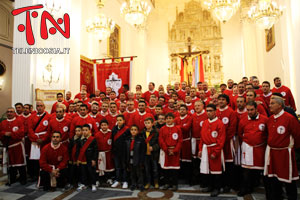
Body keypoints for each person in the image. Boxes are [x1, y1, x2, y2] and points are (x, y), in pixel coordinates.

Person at [264, 96, 300, 200]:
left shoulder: (289, 118)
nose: (269, 105)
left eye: (272, 103)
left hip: (285, 153)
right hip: (272, 153)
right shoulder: (270, 119)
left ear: (280, 105)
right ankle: (277, 196)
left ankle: (291, 196)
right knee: (274, 177)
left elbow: (297, 134)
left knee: (288, 177)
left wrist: (295, 149)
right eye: (270, 103)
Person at [238, 101, 268, 196]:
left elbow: (268, 134)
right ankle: (246, 188)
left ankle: (269, 191)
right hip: (247, 147)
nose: (250, 112)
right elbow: (240, 133)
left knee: (262, 169)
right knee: (246, 170)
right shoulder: (243, 120)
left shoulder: (265, 120)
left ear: (256, 109)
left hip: (260, 148)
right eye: (248, 110)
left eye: (252, 110)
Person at [198, 104, 226, 197]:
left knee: (216, 171)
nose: (208, 112)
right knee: (208, 169)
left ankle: (217, 188)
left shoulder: (220, 123)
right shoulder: (205, 122)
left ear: (215, 111)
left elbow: (221, 140)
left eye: (210, 111)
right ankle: (210, 186)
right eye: (207, 111)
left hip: (214, 149)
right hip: (206, 148)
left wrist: (216, 152)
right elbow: (202, 137)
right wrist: (200, 149)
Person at [216, 94, 238, 192]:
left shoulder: (231, 112)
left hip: (227, 143)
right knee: (218, 164)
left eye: (223, 100)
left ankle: (228, 184)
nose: (221, 101)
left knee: (228, 165)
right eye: (219, 99)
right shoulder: (215, 111)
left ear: (227, 101)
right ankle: (219, 184)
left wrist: (222, 140)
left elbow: (232, 129)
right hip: (216, 143)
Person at [0, 107, 26, 185]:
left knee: (20, 163)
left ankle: (23, 178)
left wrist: (11, 134)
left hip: (17, 145)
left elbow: (21, 132)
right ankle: (12, 178)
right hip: (8, 146)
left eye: (11, 112)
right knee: (10, 164)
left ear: (14, 113)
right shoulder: (3, 123)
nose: (9, 113)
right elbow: (0, 132)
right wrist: (4, 134)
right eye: (8, 112)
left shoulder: (19, 121)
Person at [159, 113, 183, 191]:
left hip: (175, 152)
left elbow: (180, 140)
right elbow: (161, 140)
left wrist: (175, 150)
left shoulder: (177, 129)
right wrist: (166, 149)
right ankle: (167, 183)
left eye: (170, 118)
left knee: (174, 169)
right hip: (165, 151)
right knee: (166, 169)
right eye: (167, 118)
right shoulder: (162, 129)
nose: (169, 120)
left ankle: (174, 184)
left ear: (173, 119)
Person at [28, 100, 51, 181]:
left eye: (41, 106)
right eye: (38, 106)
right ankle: (35, 175)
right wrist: (35, 138)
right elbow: (30, 129)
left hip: (44, 140)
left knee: (44, 158)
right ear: (36, 107)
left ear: (44, 107)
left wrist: (43, 139)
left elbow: (49, 130)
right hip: (35, 140)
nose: (39, 107)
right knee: (35, 159)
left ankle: (44, 175)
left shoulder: (48, 116)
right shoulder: (32, 117)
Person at [77, 124, 98, 192]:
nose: (84, 132)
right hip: (83, 159)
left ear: (89, 131)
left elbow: (95, 150)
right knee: (83, 172)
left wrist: (94, 159)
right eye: (83, 130)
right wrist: (78, 159)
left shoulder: (93, 139)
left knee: (91, 172)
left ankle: (93, 184)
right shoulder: (80, 140)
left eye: (86, 130)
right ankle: (84, 184)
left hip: (90, 158)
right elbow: (78, 150)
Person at [111, 115, 130, 188]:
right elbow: (112, 140)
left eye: (120, 120)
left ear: (124, 121)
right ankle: (118, 180)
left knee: (124, 167)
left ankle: (125, 181)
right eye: (117, 120)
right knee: (117, 167)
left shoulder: (127, 129)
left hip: (124, 152)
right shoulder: (114, 129)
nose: (119, 121)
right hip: (116, 152)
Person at [174, 105, 192, 184]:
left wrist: (178, 126)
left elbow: (186, 128)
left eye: (183, 109)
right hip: (178, 141)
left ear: (187, 111)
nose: (181, 111)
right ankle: (179, 176)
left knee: (186, 160)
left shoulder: (189, 118)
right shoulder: (176, 118)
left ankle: (187, 177)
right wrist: (181, 127)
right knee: (179, 160)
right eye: (180, 109)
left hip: (186, 141)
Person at [124, 125, 146, 191]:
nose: (133, 131)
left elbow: (143, 151)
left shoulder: (141, 139)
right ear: (130, 131)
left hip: (138, 158)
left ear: (138, 131)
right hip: (129, 158)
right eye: (132, 130)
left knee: (139, 172)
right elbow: (125, 150)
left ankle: (140, 184)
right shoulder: (127, 139)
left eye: (135, 130)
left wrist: (141, 160)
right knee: (132, 172)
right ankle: (133, 184)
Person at [191, 100, 207, 185]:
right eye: (195, 106)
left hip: (203, 141)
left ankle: (203, 180)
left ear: (203, 106)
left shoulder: (206, 115)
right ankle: (195, 179)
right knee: (195, 161)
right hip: (194, 140)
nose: (197, 107)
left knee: (203, 160)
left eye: (198, 105)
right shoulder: (193, 116)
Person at [141, 117, 160, 189]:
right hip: (145, 154)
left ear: (152, 123)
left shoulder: (156, 132)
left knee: (155, 169)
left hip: (154, 154)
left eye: (148, 123)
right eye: (145, 123)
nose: (147, 124)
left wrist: (153, 148)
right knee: (147, 169)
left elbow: (159, 143)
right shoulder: (142, 133)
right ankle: (148, 182)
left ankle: (156, 182)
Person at [94, 120, 114, 185]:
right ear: (100, 126)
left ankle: (109, 178)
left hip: (108, 153)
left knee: (109, 166)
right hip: (100, 153)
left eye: (105, 125)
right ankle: (98, 180)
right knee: (99, 167)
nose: (104, 126)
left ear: (108, 126)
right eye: (102, 125)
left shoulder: (111, 133)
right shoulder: (97, 134)